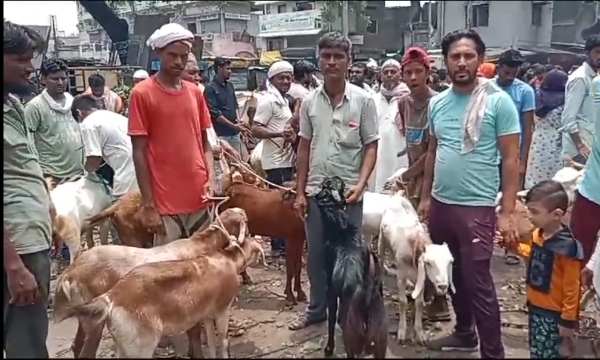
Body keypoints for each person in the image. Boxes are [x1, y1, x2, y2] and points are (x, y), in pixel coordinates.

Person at [418, 29, 521, 358]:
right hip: (441, 205)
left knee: (479, 283)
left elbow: (510, 159)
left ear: (480, 59)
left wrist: (506, 211)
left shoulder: (498, 102)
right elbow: (432, 151)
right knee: (451, 275)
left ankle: (493, 352)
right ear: (445, 61)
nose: (461, 62)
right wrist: (424, 197)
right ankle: (464, 333)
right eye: (455, 56)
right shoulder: (437, 103)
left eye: (468, 56)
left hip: (477, 208)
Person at [289, 31, 379, 331]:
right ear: (319, 60)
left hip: (349, 194)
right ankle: (316, 310)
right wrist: (300, 192)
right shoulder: (309, 102)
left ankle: (345, 317)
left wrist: (362, 183)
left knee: (348, 260)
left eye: (338, 56)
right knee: (316, 256)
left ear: (348, 61)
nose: (331, 62)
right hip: (316, 192)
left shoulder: (364, 101)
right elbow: (303, 147)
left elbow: (371, 146)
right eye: (326, 56)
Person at [128, 22, 215, 249]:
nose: (178, 61)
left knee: (202, 265)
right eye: (172, 55)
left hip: (199, 196)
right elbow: (139, 151)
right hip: (166, 202)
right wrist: (148, 205)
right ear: (158, 52)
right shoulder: (142, 93)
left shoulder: (195, 93)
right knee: (168, 271)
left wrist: (212, 179)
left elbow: (205, 143)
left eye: (184, 56)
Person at [3, 20, 53, 358]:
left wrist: (50, 215)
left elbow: (24, 169)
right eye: (21, 59)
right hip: (15, 249)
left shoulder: (13, 106)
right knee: (27, 346)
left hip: (29, 241)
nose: (30, 68)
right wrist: (13, 266)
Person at [497, 180, 582, 358]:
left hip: (554, 314)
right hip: (535, 306)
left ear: (557, 214)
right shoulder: (538, 235)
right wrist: (513, 247)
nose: (529, 215)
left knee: (550, 353)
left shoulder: (567, 249)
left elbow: (572, 288)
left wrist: (567, 320)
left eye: (534, 212)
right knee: (537, 349)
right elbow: (532, 253)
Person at [396, 48, 449, 321]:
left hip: (433, 178)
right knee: (417, 238)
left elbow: (433, 151)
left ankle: (440, 299)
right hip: (412, 180)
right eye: (409, 72)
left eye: (419, 72)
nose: (413, 77)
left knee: (435, 240)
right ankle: (422, 290)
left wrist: (407, 174)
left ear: (429, 74)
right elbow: (410, 141)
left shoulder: (439, 103)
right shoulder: (403, 103)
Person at [251, 61, 297, 255]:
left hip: (286, 159)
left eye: (289, 77)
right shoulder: (268, 101)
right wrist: (279, 135)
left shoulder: (284, 100)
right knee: (278, 204)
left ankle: (282, 243)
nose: (286, 81)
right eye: (282, 78)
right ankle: (277, 246)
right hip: (276, 160)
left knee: (285, 204)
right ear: (272, 80)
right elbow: (255, 128)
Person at [24, 58, 85, 183]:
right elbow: (27, 143)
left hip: (78, 174)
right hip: (52, 176)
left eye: (64, 78)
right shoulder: (35, 107)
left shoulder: (73, 102)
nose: (60, 82)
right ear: (43, 80)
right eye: (55, 79)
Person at [71, 95, 138, 200]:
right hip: (142, 162)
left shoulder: (88, 123)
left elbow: (94, 159)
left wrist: (85, 172)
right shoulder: (111, 116)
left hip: (127, 169)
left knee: (121, 207)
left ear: (79, 113)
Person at [570, 34, 600, 266]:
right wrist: (580, 145)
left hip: (591, 160)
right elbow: (568, 119)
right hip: (587, 161)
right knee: (581, 248)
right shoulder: (585, 80)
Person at [495, 49, 536, 188]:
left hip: (511, 154)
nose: (511, 76)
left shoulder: (525, 91)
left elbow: (527, 128)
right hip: (487, 153)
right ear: (498, 68)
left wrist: (523, 162)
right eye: (507, 72)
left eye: (515, 71)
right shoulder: (487, 88)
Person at [525, 69, 568, 189]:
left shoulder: (537, 96)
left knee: (535, 179)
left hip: (537, 143)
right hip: (556, 144)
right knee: (553, 184)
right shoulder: (565, 102)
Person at [371, 58, 409, 192]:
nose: (389, 74)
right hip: (377, 153)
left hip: (400, 152)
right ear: (381, 76)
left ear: (400, 74)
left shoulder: (408, 98)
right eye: (386, 72)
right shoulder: (372, 99)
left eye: (393, 71)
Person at [204, 56, 246, 154]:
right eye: (227, 69)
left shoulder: (230, 86)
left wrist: (239, 121)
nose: (230, 71)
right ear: (219, 69)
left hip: (234, 135)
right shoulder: (210, 89)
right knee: (224, 166)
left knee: (239, 164)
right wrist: (233, 126)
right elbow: (215, 114)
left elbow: (235, 106)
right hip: (221, 136)